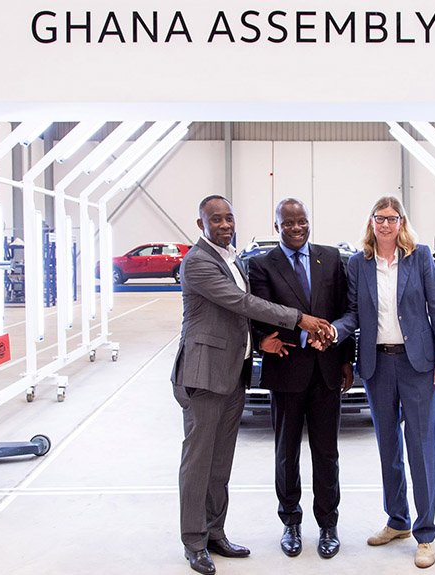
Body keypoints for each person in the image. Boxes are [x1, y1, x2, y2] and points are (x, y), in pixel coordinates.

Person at [170, 195, 334, 575]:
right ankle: (194, 542)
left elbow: (236, 319)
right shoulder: (197, 262)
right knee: (197, 463)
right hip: (203, 374)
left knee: (220, 463)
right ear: (201, 225)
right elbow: (242, 303)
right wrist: (300, 320)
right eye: (216, 220)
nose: (225, 225)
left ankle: (215, 533)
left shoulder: (232, 258)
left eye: (229, 217)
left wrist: (260, 341)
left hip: (232, 373)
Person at [329, 196, 435, 569]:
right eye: (378, 218)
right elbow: (353, 314)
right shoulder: (359, 263)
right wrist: (335, 333)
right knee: (388, 446)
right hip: (377, 364)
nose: (384, 224)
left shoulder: (420, 256)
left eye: (391, 218)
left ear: (401, 222)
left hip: (417, 365)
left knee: (419, 447)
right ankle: (397, 521)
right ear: (371, 222)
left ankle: (426, 533)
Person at [247, 198, 355, 560]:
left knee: (327, 453)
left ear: (309, 222)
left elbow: (345, 312)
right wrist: (275, 335)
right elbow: (261, 312)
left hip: (327, 371)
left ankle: (328, 524)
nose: (296, 228)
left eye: (302, 221)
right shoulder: (262, 265)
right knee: (286, 453)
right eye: (288, 223)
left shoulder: (331, 259)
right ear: (276, 225)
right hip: (287, 369)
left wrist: (346, 360)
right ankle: (290, 521)